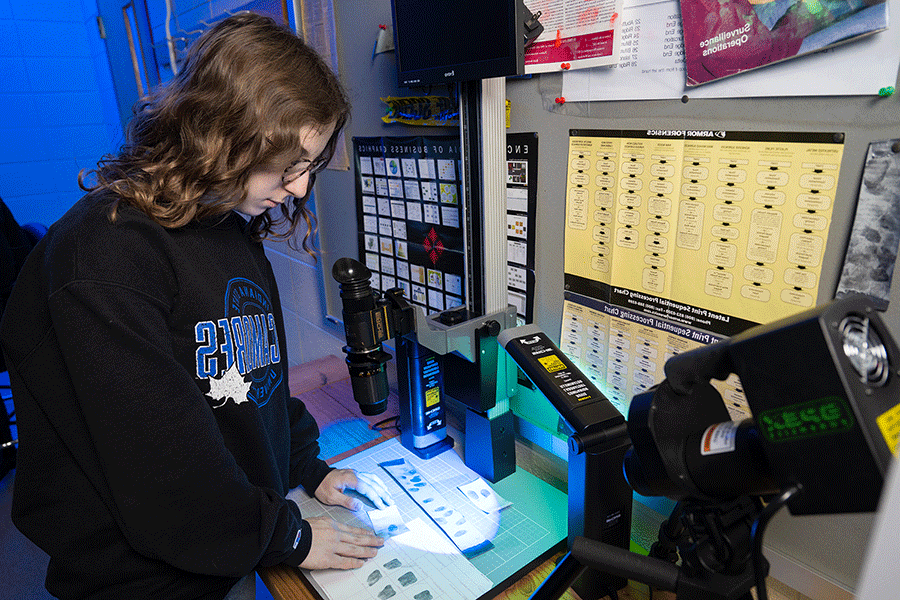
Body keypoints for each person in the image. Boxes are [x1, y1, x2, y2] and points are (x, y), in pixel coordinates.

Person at [0, 13, 393, 600]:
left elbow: (251, 385)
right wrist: (292, 538)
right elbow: (163, 476)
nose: (301, 189)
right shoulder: (103, 259)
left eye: (308, 166)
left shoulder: (224, 224)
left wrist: (308, 470)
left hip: (229, 540)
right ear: (219, 133)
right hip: (144, 577)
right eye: (287, 166)